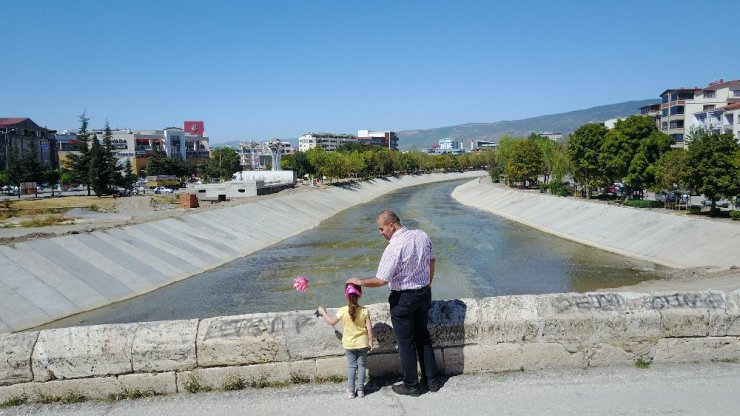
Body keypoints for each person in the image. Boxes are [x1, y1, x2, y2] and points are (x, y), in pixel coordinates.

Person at [346, 210, 439, 397]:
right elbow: (432, 260)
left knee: (406, 342)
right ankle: (432, 381)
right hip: (423, 294)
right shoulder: (422, 235)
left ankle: (411, 385)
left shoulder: (394, 246)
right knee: (423, 336)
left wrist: (359, 281)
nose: (380, 233)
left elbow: (381, 280)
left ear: (392, 226)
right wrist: (428, 283)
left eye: (381, 229)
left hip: (403, 298)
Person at [318, 283, 374, 399]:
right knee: (362, 366)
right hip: (363, 343)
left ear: (346, 296)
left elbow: (331, 322)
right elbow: (369, 328)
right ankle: (361, 391)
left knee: (352, 366)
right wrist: (371, 343)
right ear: (360, 295)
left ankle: (350, 391)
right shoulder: (365, 311)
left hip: (349, 344)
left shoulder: (343, 310)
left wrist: (323, 312)